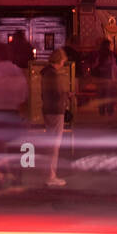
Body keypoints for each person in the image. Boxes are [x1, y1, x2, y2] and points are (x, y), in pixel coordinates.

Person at [41, 48, 70, 187]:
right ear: (60, 60)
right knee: (54, 145)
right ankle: (51, 175)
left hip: (48, 110)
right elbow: (58, 94)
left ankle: (49, 173)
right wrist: (67, 95)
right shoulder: (53, 75)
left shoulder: (45, 73)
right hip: (56, 111)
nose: (64, 64)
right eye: (63, 61)